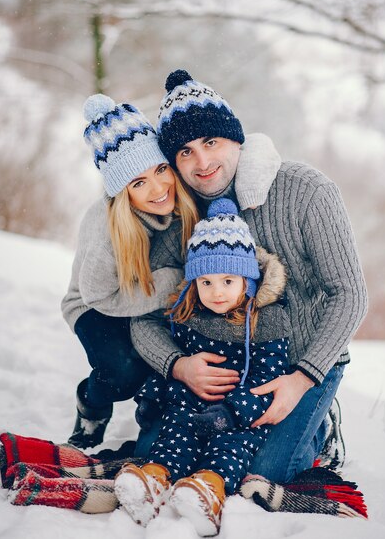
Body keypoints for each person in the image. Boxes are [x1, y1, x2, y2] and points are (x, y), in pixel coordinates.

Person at [130, 69, 369, 486]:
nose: (202, 162)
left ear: (235, 139)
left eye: (211, 142)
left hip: (300, 363)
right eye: (184, 152)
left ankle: (317, 427)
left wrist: (303, 378)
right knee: (153, 457)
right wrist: (178, 365)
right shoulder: (180, 220)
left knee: (260, 474)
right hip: (214, 365)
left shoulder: (306, 191)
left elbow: (349, 294)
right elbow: (144, 316)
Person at [114, 198, 289, 535]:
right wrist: (160, 393)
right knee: (173, 434)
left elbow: (269, 379)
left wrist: (233, 412)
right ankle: (154, 478)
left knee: (231, 447)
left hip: (238, 413)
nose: (217, 292)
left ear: (247, 280)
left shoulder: (266, 321)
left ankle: (209, 487)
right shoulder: (188, 314)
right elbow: (177, 356)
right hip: (191, 401)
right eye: (206, 282)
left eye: (228, 281)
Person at [61, 93, 198, 449]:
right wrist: (172, 283)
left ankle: (155, 422)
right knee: (124, 370)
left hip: (145, 297)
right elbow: (98, 294)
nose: (158, 188)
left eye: (160, 170)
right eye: (138, 183)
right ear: (123, 192)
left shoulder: (182, 203)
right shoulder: (107, 231)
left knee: (164, 355)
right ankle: (90, 404)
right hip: (95, 303)